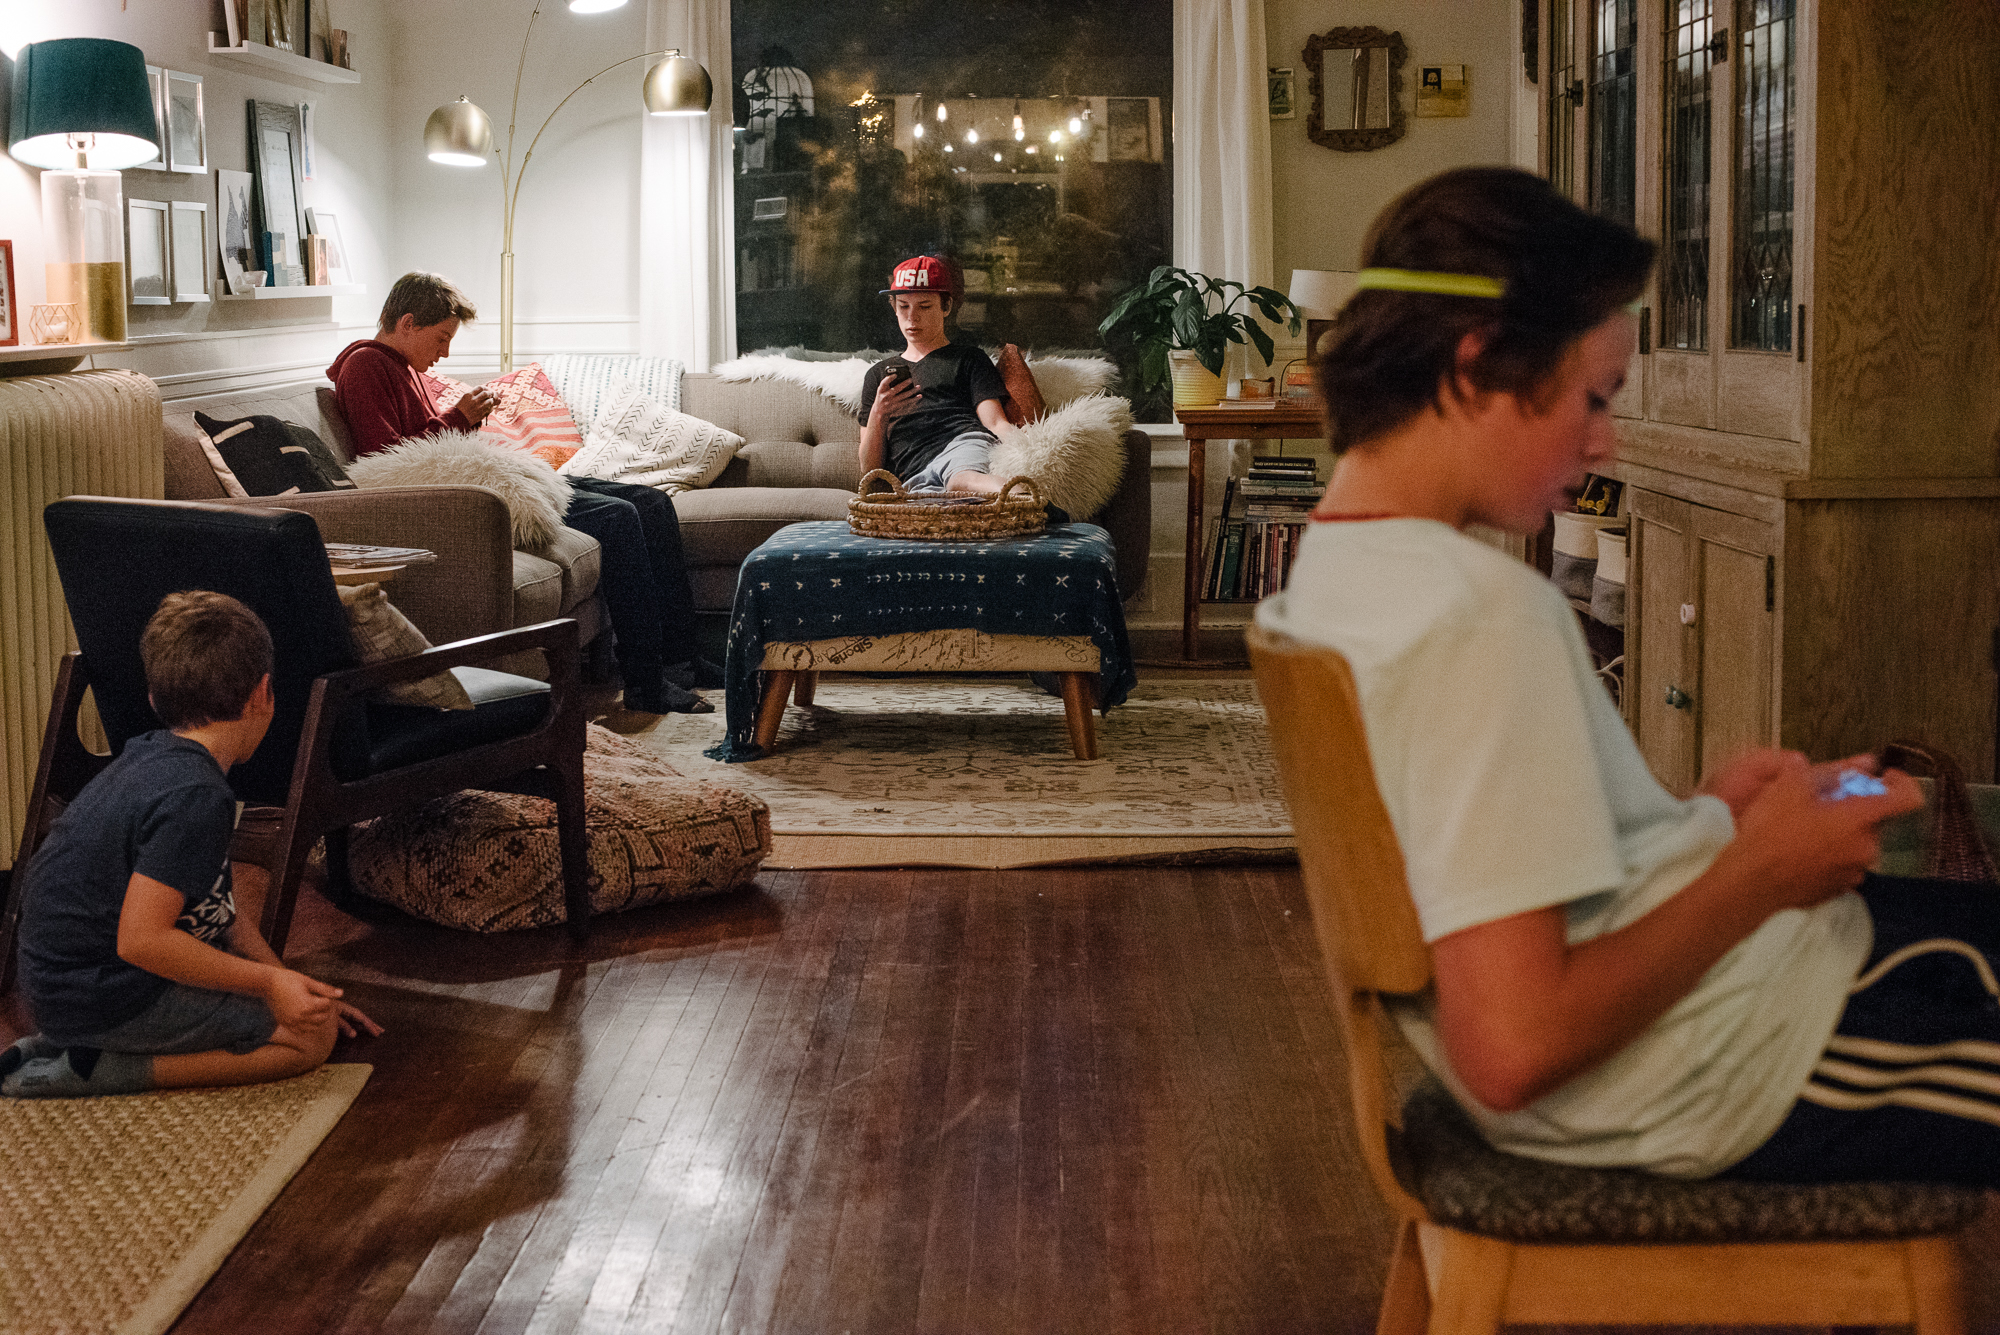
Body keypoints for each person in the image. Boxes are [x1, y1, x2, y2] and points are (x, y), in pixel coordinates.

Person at [1258, 166, 2000, 1186]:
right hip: (1721, 1065)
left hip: (1707, 1024)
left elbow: (1492, 869)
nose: (1604, 438)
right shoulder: (1477, 612)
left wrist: (1695, 826)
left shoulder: (1338, 576)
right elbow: (1511, 1045)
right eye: (1591, 396)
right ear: (1478, 365)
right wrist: (1756, 874)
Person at [3, 592, 381, 1099]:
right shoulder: (197, 797)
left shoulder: (153, 755)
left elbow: (217, 907)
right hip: (102, 994)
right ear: (263, 694)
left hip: (62, 990)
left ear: (156, 699)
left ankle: (65, 1045)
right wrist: (269, 988)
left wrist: (287, 981)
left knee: (302, 1013)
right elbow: (142, 941)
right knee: (310, 1041)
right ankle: (102, 1069)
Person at [329, 272, 719, 715]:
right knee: (619, 517)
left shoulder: (401, 367)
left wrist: (465, 420)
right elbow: (387, 460)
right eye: (441, 338)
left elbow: (422, 440)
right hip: (468, 498)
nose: (446, 352)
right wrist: (457, 419)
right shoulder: (366, 365)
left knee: (652, 503)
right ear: (407, 322)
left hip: (484, 477)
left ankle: (682, 659)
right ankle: (646, 682)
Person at [857, 255, 1019, 496]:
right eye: (904, 306)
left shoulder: (969, 358)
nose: (912, 317)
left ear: (946, 307)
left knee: (960, 480)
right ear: (893, 307)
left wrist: (1030, 449)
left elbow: (995, 422)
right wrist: (879, 413)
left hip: (962, 447)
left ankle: (1025, 497)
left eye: (924, 306)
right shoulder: (877, 375)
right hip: (914, 474)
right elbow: (869, 469)